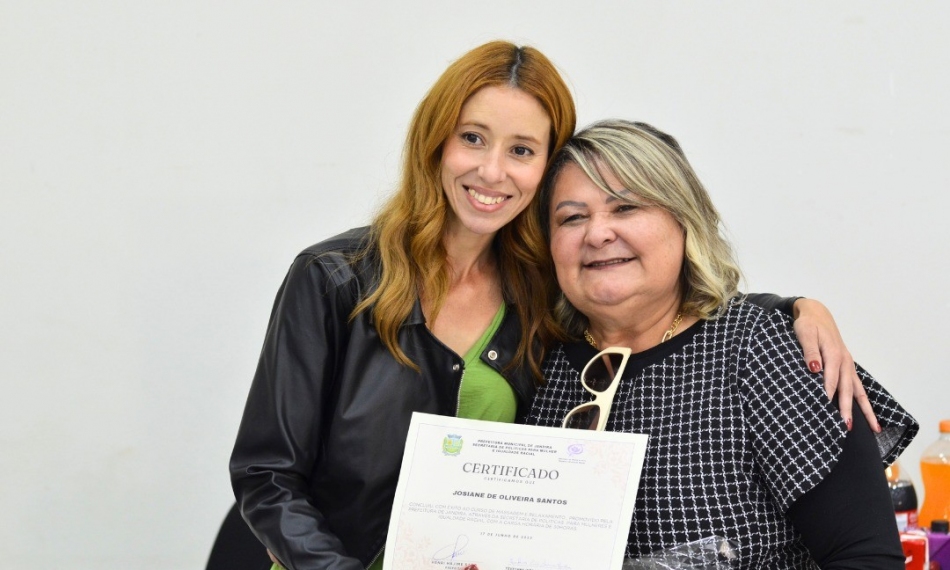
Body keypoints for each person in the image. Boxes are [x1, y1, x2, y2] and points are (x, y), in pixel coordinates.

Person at [229, 42, 873, 570]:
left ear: (544, 169)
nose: (492, 171)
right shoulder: (338, 279)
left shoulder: (540, 295)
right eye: (473, 138)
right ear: (434, 142)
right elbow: (266, 474)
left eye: (521, 150)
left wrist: (792, 309)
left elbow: (664, 305)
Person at [525, 119, 918, 568]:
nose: (597, 234)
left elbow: (865, 557)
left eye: (626, 208)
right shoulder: (537, 365)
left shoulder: (761, 348)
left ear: (683, 220)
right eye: (572, 217)